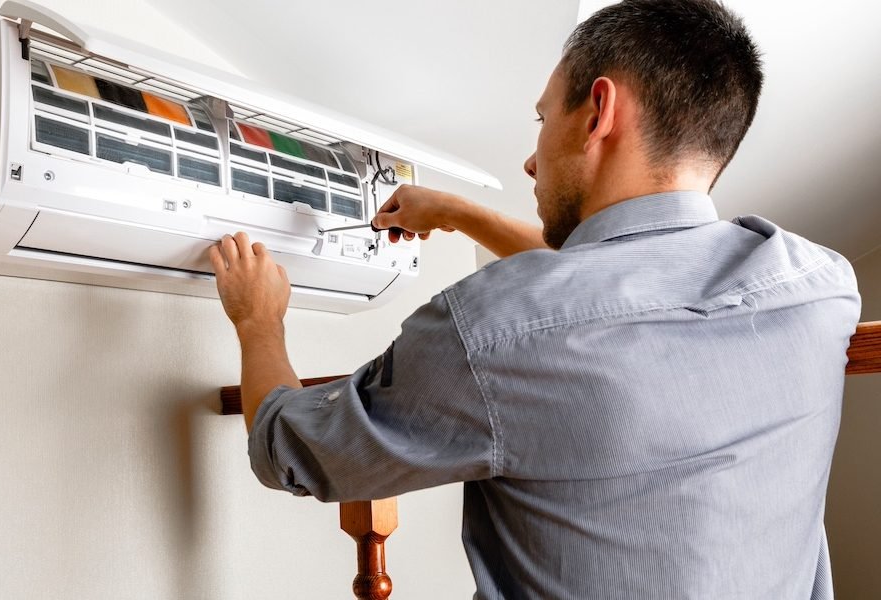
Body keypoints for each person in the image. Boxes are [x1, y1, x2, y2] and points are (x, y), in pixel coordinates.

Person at [209, 0, 861, 597]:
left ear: (598, 111)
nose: (529, 160)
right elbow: (620, 290)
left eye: (544, 118)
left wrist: (257, 320)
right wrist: (461, 214)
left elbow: (290, 450)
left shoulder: (488, 331)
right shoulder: (819, 287)